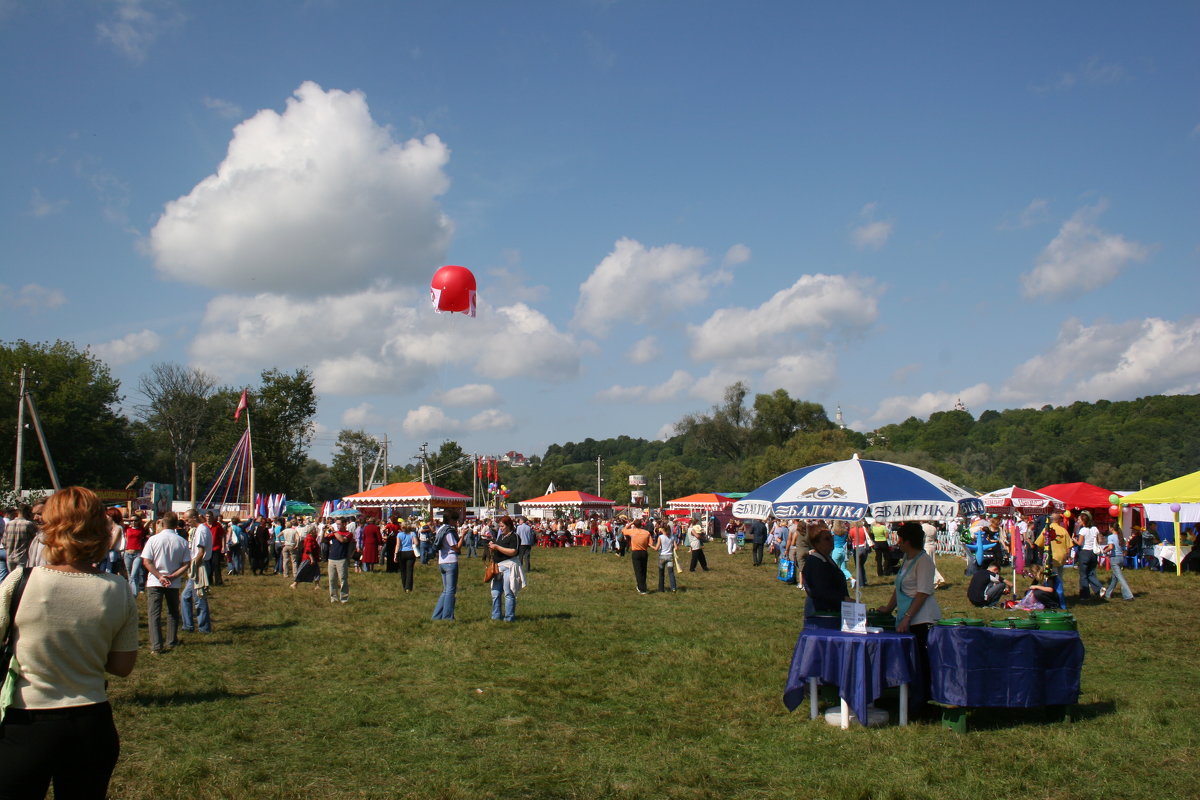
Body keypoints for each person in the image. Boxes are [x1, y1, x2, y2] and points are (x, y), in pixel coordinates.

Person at [0, 486, 139, 798]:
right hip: (91, 722)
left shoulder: (21, 580)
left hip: (26, 720)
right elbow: (122, 666)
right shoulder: (117, 588)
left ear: (49, 527)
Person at [876, 521, 942, 715]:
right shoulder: (907, 558)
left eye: (899, 539)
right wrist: (889, 608)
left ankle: (921, 703)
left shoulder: (924, 561)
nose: (897, 543)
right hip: (907, 617)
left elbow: (922, 593)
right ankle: (911, 698)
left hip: (922, 619)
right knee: (910, 662)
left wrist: (906, 618)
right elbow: (899, 587)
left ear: (907, 541)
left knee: (921, 663)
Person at [141, 512, 192, 654]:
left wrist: (159, 576)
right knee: (172, 612)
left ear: (162, 524)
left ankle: (156, 645)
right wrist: (173, 576)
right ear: (176, 525)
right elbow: (187, 563)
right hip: (173, 582)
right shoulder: (182, 541)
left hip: (155, 581)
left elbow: (147, 561)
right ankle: (171, 640)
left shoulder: (153, 540)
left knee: (154, 613)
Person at [800, 527, 849, 616]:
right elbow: (820, 590)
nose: (831, 541)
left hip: (832, 609)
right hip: (820, 611)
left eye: (831, 537)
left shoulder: (826, 558)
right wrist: (843, 598)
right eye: (827, 539)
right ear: (816, 543)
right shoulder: (816, 562)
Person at [181, 510, 213, 634]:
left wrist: (193, 568)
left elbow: (200, 552)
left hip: (200, 566)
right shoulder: (198, 530)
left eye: (187, 520)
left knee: (199, 597)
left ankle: (204, 628)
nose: (186, 523)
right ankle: (188, 625)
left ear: (194, 518)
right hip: (197, 564)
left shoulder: (201, 531)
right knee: (185, 596)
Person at [487, 516, 522, 621]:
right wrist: (492, 546)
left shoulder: (514, 537)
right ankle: (496, 615)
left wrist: (497, 547)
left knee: (508, 592)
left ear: (509, 526)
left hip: (509, 567)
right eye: (500, 526)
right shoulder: (500, 537)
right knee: (495, 592)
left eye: (502, 526)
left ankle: (509, 617)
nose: (500, 528)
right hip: (498, 567)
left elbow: (513, 551)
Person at [432, 510, 463, 620]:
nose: (456, 522)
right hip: (450, 561)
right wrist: (462, 536)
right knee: (450, 590)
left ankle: (436, 615)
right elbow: (456, 547)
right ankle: (447, 616)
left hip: (442, 561)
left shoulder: (440, 529)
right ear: (451, 520)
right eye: (455, 520)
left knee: (446, 590)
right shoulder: (449, 532)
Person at [1072, 510, 1103, 599]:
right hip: (1093, 553)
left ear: (1083, 521)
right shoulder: (1094, 529)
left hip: (1085, 552)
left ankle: (1085, 595)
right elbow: (1098, 540)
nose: (1078, 521)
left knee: (1083, 575)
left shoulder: (1083, 530)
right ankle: (1098, 589)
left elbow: (1080, 543)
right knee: (1091, 573)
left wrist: (1074, 540)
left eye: (1079, 520)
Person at [1102, 522, 1134, 601]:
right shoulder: (1121, 537)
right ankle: (1108, 594)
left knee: (1120, 577)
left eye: (1109, 527)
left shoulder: (1111, 537)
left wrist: (1104, 551)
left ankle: (1128, 595)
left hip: (1114, 558)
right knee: (1114, 578)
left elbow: (1110, 547)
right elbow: (1124, 549)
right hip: (1121, 558)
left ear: (1112, 528)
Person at [3, 505, 36, 573]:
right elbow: (36, 539)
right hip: (22, 557)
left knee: (12, 579)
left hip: (10, 556)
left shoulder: (9, 524)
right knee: (21, 579)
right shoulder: (28, 524)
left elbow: (4, 542)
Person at [122, 513, 149, 596]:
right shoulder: (127, 528)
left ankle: (133, 593)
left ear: (139, 521)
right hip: (127, 553)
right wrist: (128, 520)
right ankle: (133, 591)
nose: (133, 522)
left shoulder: (142, 529)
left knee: (134, 574)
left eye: (135, 520)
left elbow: (150, 521)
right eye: (131, 521)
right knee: (130, 574)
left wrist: (140, 520)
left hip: (138, 554)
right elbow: (120, 521)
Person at [327, 520, 353, 603]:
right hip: (331, 558)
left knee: (343, 579)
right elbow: (326, 537)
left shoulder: (348, 534)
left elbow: (342, 540)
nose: (337, 525)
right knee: (332, 580)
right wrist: (326, 530)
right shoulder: (335, 533)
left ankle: (344, 598)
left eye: (339, 524)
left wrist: (334, 531)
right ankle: (333, 598)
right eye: (336, 524)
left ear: (344, 524)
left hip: (341, 559)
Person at [625, 518, 653, 595]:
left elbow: (624, 530)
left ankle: (641, 588)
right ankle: (643, 585)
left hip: (636, 552)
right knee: (644, 570)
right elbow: (651, 543)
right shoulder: (646, 532)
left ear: (634, 525)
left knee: (638, 570)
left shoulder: (632, 531)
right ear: (641, 524)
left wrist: (631, 523)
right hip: (644, 551)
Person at [652, 522, 678, 592]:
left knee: (661, 573)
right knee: (671, 573)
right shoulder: (672, 537)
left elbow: (656, 548)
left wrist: (650, 545)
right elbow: (676, 547)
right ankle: (673, 588)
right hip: (670, 556)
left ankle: (661, 589)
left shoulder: (660, 537)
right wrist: (672, 549)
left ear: (663, 530)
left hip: (662, 556)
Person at [395, 523, 418, 593]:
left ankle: (404, 586)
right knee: (409, 570)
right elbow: (416, 543)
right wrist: (413, 544)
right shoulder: (412, 534)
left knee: (403, 571)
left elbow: (398, 545)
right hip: (411, 552)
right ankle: (408, 587)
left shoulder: (399, 535)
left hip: (402, 553)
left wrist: (395, 554)